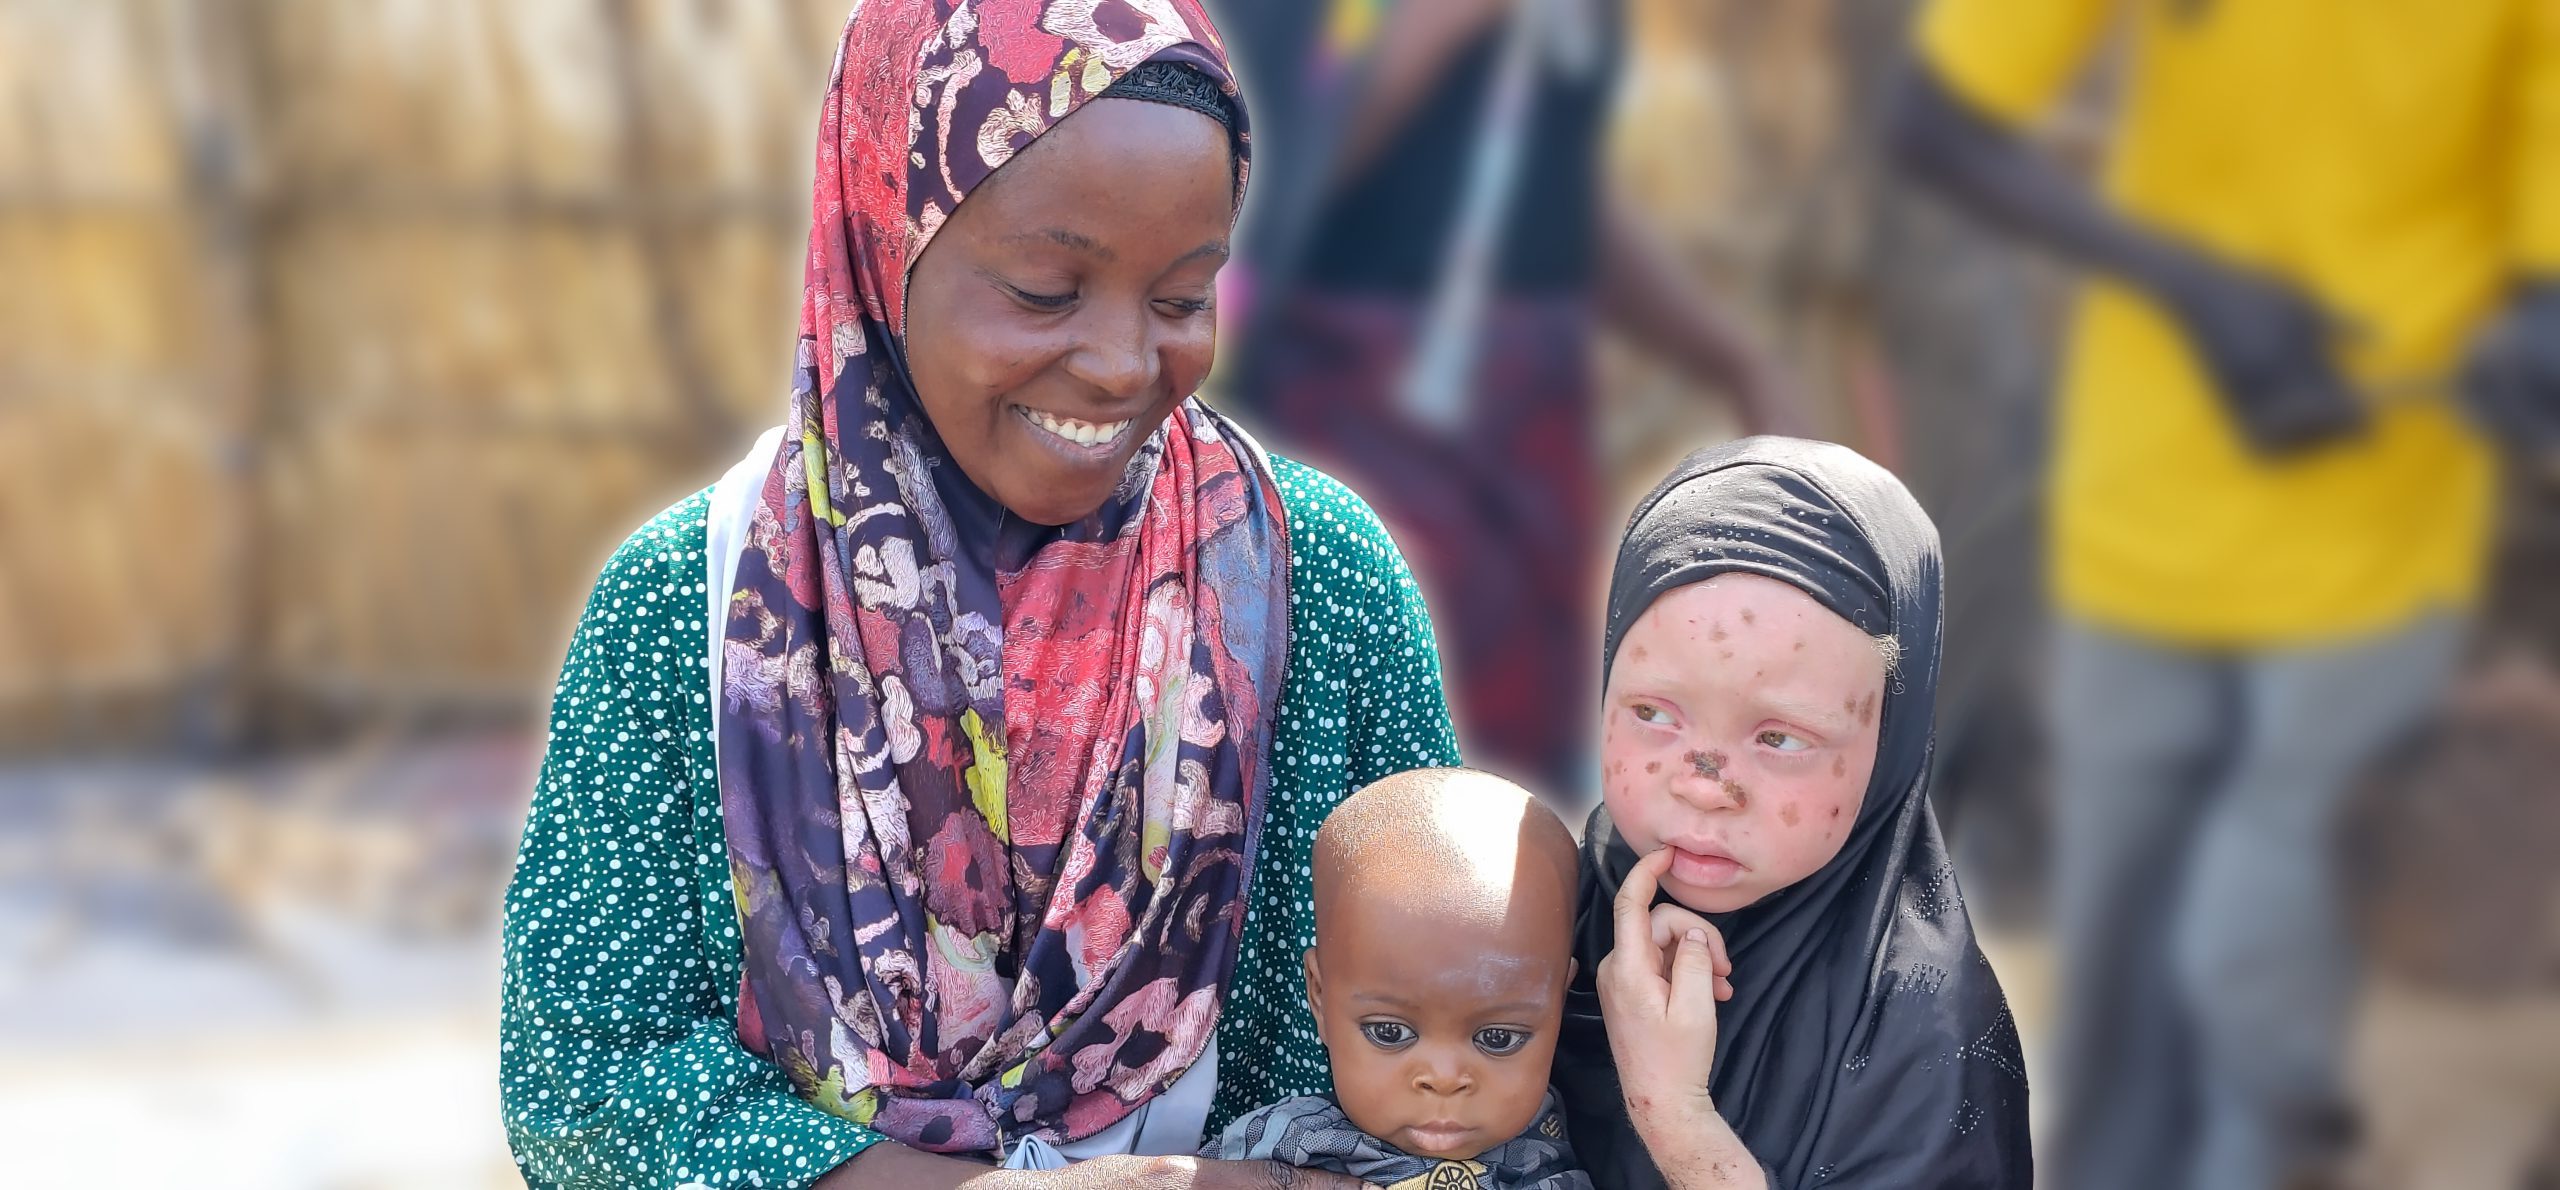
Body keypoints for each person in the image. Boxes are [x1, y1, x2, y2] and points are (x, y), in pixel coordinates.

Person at [496, 4, 1465, 1187]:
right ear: (879, 242)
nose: (1120, 364)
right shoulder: (680, 608)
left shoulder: (1317, 584)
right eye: (1047, 292)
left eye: (1179, 299)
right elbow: (586, 1079)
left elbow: (1453, 1030)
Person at [1889, 2, 2560, 1185]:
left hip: (2383, 529)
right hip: (2148, 505)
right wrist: (2195, 291)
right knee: (2118, 1000)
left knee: (2249, 953)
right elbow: (1936, 121)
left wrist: (2530, 337)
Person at [1219, 0, 1798, 799]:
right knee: (1355, 768)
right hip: (1355, 414)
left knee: (1508, 778)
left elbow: (1558, 193)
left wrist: (1729, 355)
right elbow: (1257, 181)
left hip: (1527, 427)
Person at [1550, 438, 2033, 1189]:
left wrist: (1676, 1116)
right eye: (1653, 713)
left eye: (1780, 737)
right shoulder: (1554, 903)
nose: (1706, 786)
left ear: (1893, 744)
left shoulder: (1930, 1039)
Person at [1204, 767, 1591, 1189]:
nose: (1443, 1078)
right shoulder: (1277, 1148)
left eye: (1498, 1038)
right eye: (1389, 1032)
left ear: (1559, 1000)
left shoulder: (1585, 1138)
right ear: (1319, 996)